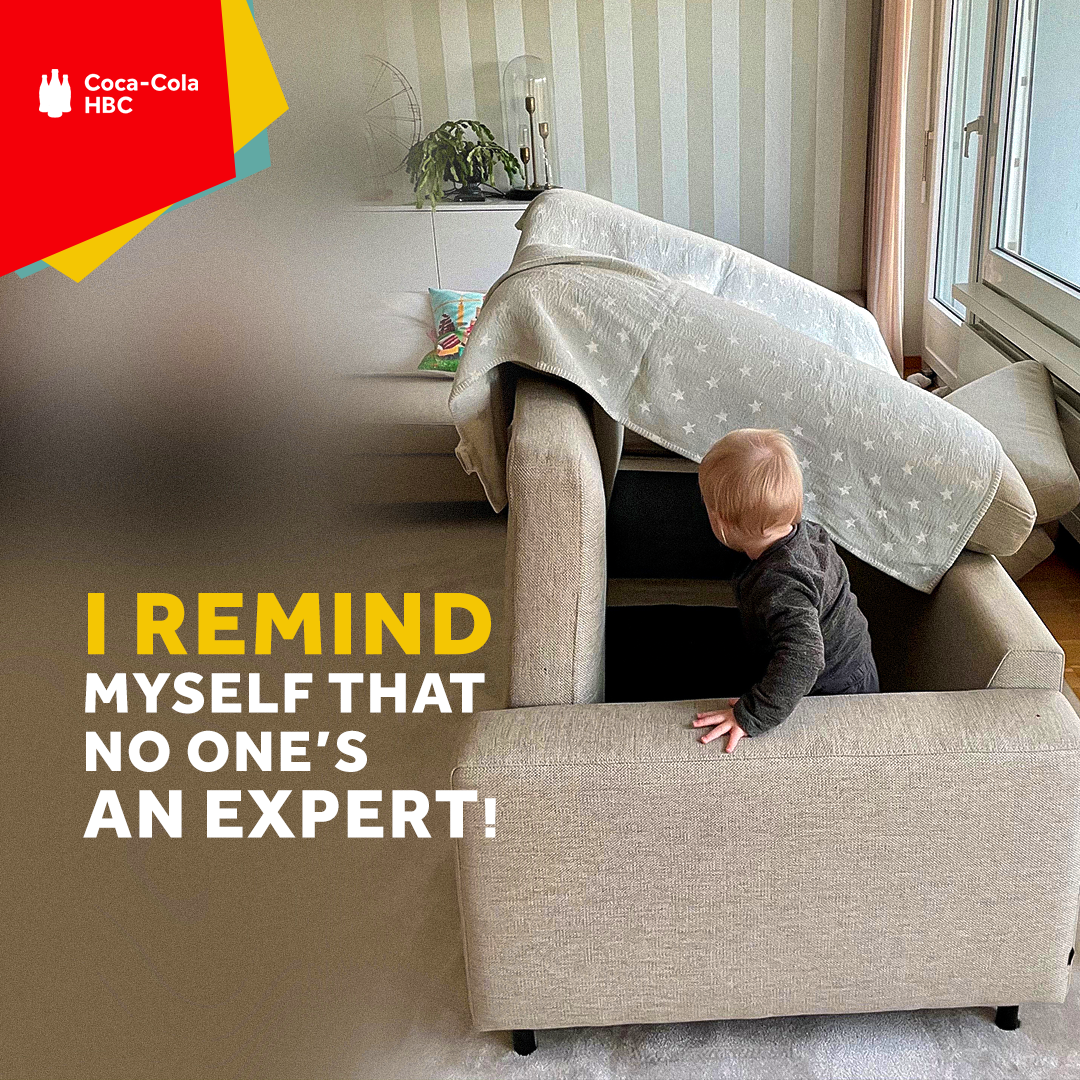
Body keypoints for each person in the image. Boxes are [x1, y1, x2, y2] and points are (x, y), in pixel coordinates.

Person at [693, 428, 878, 753]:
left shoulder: (783, 583)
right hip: (846, 658)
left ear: (721, 523)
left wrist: (748, 716)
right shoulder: (804, 532)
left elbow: (804, 658)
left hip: (836, 688)